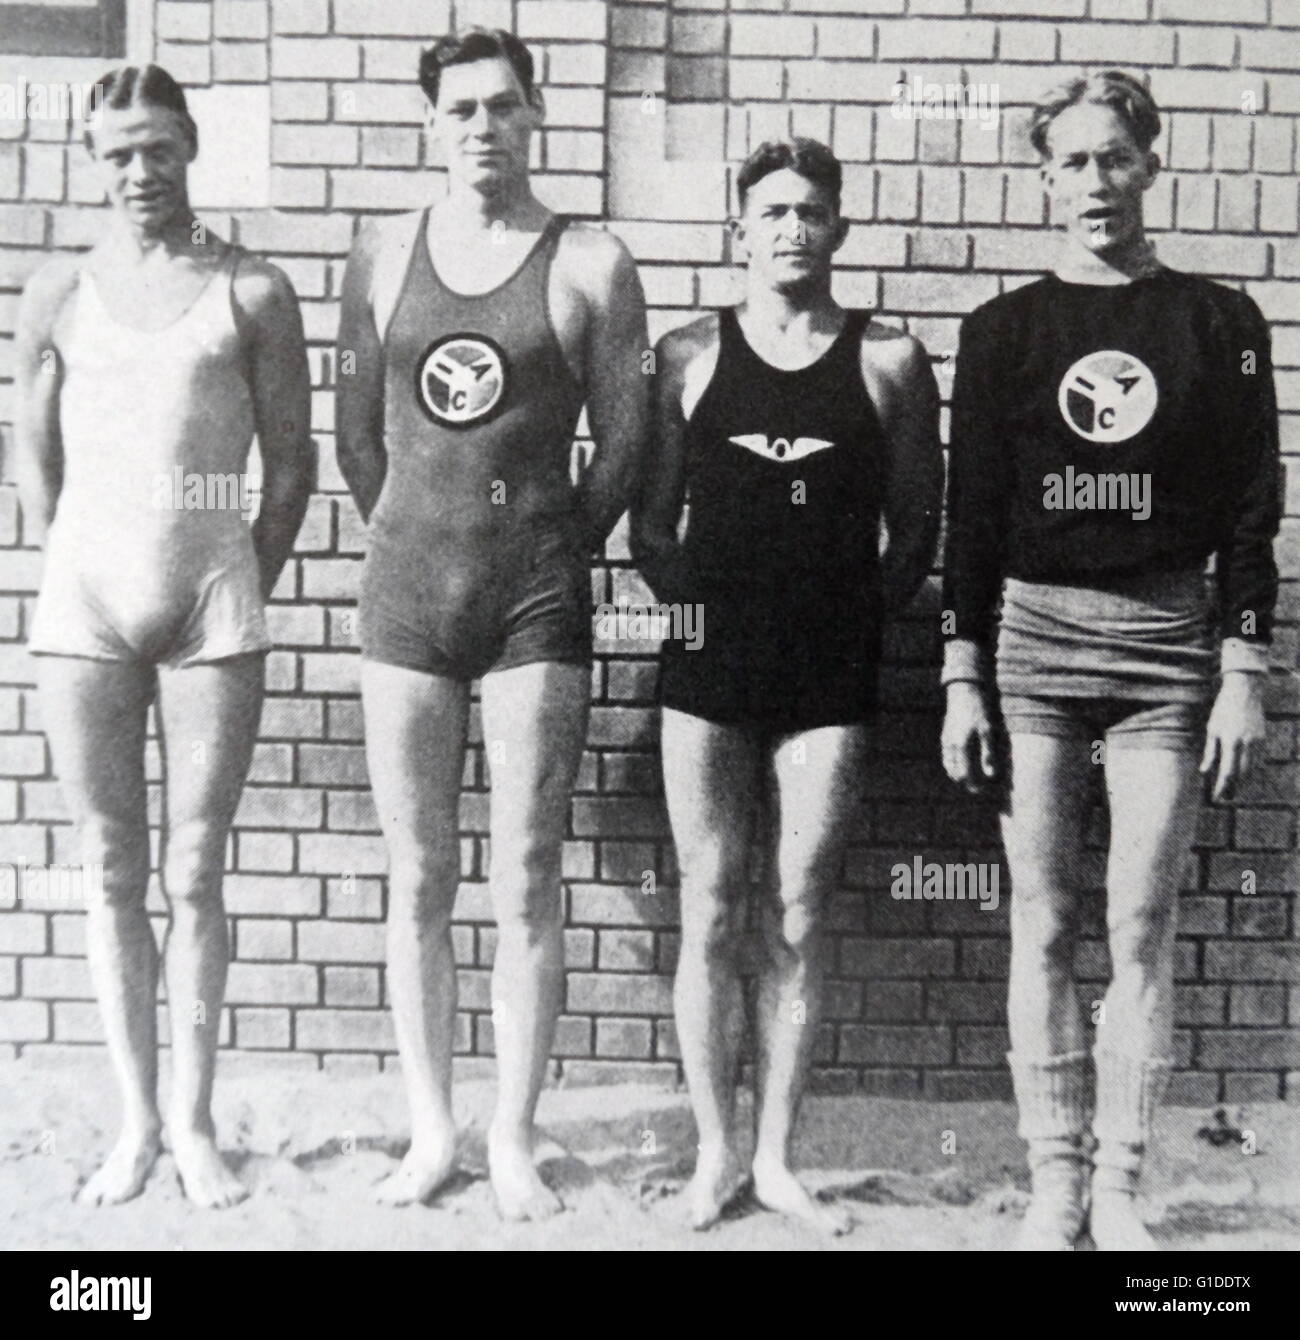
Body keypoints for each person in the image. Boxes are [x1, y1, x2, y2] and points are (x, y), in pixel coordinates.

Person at [940, 71, 1280, 1251]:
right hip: (1033, 639)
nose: (1095, 182)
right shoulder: (1001, 332)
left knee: (1138, 921)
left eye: (1114, 158)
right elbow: (969, 514)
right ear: (1044, 177)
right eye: (1072, 162)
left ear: (1150, 165)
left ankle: (1123, 1185)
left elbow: (1250, 503)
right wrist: (960, 673)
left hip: (1167, 645)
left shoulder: (1219, 322)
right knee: (1040, 920)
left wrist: (1245, 664)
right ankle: (1052, 1183)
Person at [335, 28, 648, 1221]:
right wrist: (413, 528)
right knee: (416, 872)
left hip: (536, 600)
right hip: (406, 597)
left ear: (536, 118)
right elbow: (356, 433)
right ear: (431, 122)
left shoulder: (591, 261)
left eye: (503, 107)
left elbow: (623, 440)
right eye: (460, 108)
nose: (482, 128)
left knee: (526, 873)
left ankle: (511, 1134)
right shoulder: (377, 251)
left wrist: (554, 542)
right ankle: (432, 1129)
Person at [14, 64, 314, 1208]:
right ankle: (133, 1121)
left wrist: (239, 573)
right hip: (83, 609)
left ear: (192, 146)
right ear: (93, 160)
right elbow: (29, 441)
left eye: (158, 148)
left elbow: (290, 463)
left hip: (210, 607)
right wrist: (69, 555)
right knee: (110, 869)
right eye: (117, 153)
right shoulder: (57, 289)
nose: (140, 172)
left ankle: (193, 1120)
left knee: (195, 870)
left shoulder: (252, 289)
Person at [632, 139, 943, 1233]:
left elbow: (917, 529)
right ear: (740, 229)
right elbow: (649, 523)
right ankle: (714, 1152)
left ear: (840, 229)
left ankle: (776, 1156)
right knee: (710, 908)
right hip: (709, 668)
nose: (791, 229)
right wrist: (710, 601)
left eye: (812, 212)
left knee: (799, 914)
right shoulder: (684, 355)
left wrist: (848, 611)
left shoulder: (891, 359)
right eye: (771, 211)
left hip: (827, 675)